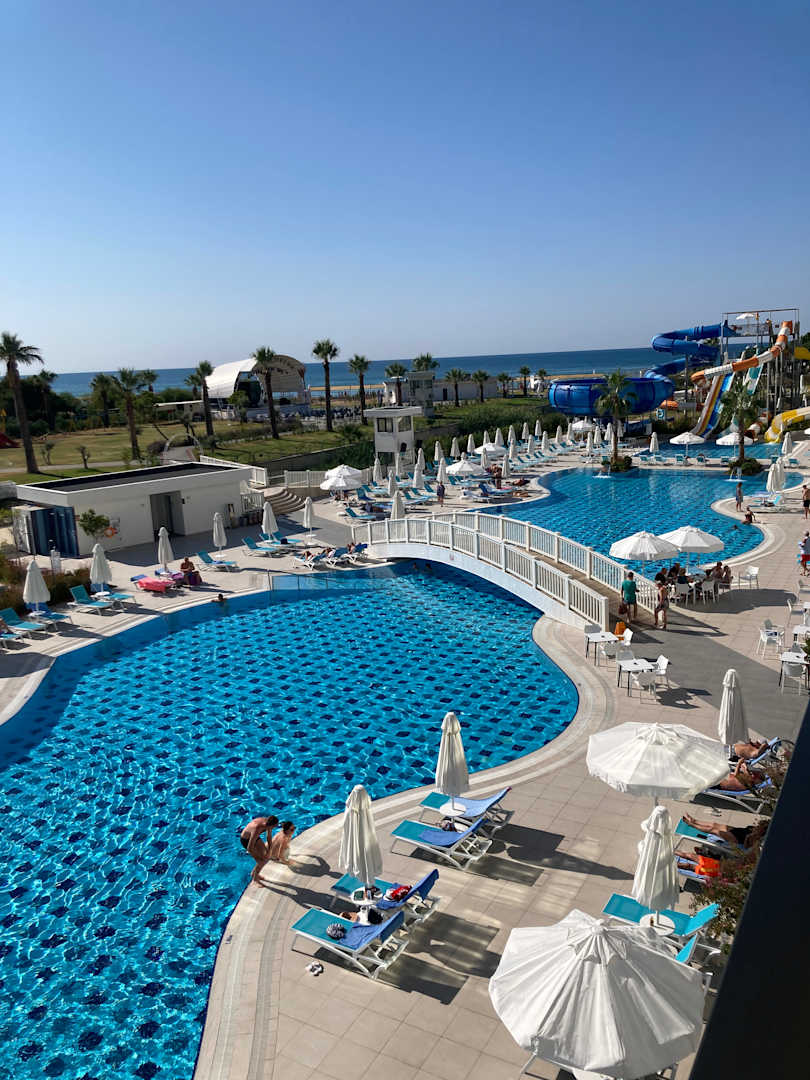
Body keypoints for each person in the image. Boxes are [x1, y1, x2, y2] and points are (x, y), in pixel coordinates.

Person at [682, 812, 768, 851]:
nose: (759, 825)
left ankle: (692, 824)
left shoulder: (758, 839)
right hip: (739, 831)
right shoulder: (760, 830)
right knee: (714, 824)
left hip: (738, 839)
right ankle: (694, 820)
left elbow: (746, 847)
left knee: (713, 830)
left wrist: (748, 837)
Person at [240, 814, 278, 883]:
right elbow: (250, 848)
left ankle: (253, 874)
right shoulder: (257, 828)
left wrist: (270, 850)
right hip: (246, 840)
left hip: (254, 837)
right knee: (262, 861)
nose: (274, 828)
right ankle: (255, 879)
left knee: (266, 856)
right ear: (271, 825)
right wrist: (257, 858)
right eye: (274, 827)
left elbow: (269, 837)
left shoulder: (267, 822)